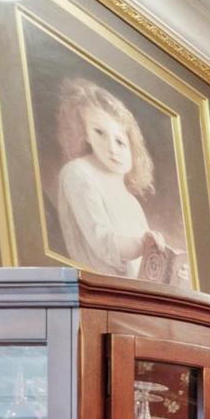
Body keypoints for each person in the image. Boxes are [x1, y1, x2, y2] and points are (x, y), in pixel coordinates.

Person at [51, 77, 186, 283]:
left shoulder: (130, 201)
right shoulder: (78, 172)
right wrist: (142, 245)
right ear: (85, 133)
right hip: (97, 290)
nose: (112, 149)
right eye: (99, 133)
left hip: (128, 293)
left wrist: (171, 270)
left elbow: (142, 269)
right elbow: (102, 241)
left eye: (120, 142)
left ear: (133, 148)